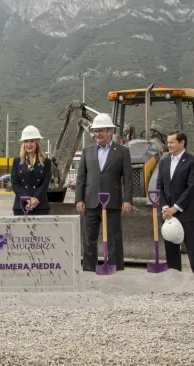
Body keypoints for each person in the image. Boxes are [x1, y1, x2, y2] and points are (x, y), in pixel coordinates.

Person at [75, 113, 133, 272]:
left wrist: (127, 200)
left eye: (101, 130)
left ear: (110, 131)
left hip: (112, 201)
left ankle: (115, 268)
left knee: (114, 237)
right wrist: (79, 199)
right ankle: (88, 269)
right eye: (95, 131)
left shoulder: (122, 151)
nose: (97, 134)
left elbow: (128, 178)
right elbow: (81, 178)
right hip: (91, 201)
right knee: (89, 238)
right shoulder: (87, 151)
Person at [156, 131, 194, 275]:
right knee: (171, 248)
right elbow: (160, 186)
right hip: (168, 214)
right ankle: (174, 276)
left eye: (171, 142)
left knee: (192, 247)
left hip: (186, 212)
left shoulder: (193, 162)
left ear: (182, 143)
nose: (168, 145)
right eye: (168, 142)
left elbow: (192, 187)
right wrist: (165, 207)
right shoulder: (164, 162)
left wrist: (176, 208)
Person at [10, 125, 52, 215]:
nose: (29, 144)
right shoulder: (17, 161)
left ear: (37, 143)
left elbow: (45, 183)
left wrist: (36, 198)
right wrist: (27, 199)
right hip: (21, 205)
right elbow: (15, 183)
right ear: (23, 144)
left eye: (32, 141)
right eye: (26, 141)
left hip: (40, 205)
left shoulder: (46, 162)